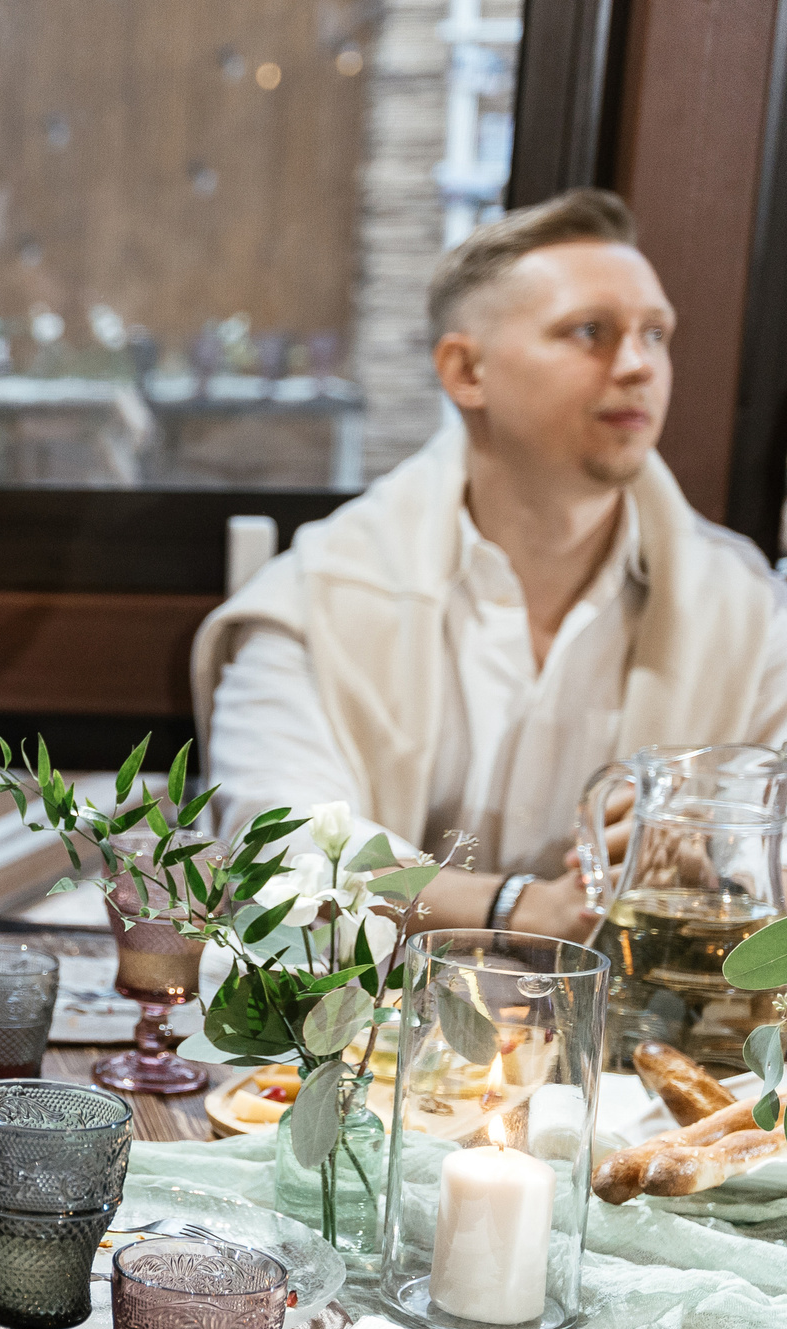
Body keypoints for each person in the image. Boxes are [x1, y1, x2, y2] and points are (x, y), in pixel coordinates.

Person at [194, 189, 787, 933]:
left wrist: (713, 860)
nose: (639, 366)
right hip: (366, 1036)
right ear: (466, 370)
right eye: (590, 332)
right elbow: (280, 847)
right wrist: (519, 909)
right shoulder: (319, 595)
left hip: (635, 1040)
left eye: (657, 335)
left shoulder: (749, 611)